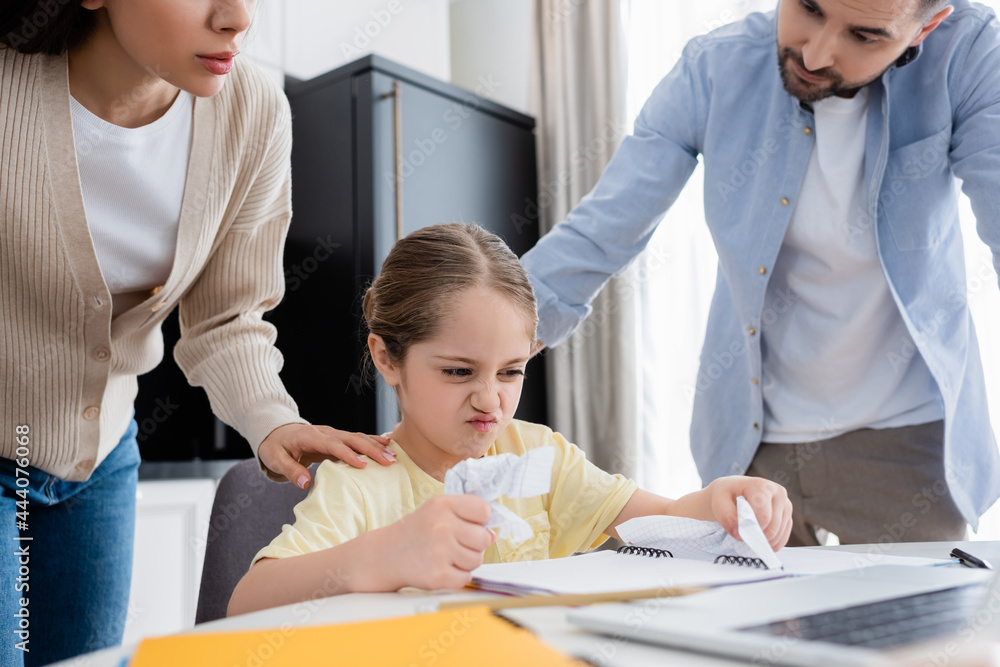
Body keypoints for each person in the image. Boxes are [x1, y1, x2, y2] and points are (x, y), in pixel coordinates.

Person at [0, 1, 396, 664]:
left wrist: (272, 421)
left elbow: (225, 316)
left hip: (96, 458)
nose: (238, 17)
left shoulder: (254, 116)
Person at [520, 0, 1000, 547]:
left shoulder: (969, 53)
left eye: (864, 36)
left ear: (927, 27)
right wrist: (459, 358)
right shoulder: (714, 68)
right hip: (751, 449)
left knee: (915, 630)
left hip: (908, 447)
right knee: (751, 630)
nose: (816, 54)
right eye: (809, 8)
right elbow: (599, 234)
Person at [225, 223, 793, 616]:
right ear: (386, 358)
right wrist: (385, 554)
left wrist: (721, 500)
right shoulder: (364, 481)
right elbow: (247, 601)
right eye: (457, 372)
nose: (489, 401)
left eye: (510, 372)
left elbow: (664, 521)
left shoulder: (539, 456)